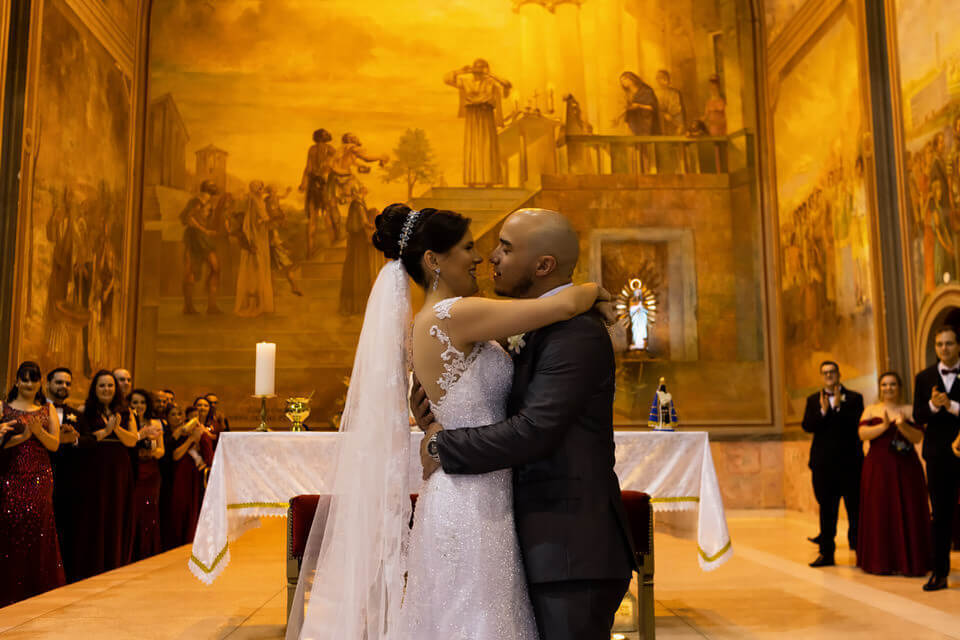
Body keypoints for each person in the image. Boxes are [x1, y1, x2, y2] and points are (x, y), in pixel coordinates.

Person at [288, 205, 632, 640]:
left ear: (544, 264)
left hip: (548, 531)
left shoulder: (566, 331)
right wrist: (591, 291)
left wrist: (439, 442)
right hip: (473, 503)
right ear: (433, 259)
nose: (485, 257)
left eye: (502, 248)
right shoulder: (457, 315)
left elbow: (533, 427)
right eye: (470, 246)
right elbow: (563, 306)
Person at [64, 370, 139, 581]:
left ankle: (115, 564)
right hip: (94, 467)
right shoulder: (84, 411)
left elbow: (132, 440)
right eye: (102, 386)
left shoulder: (126, 412)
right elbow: (83, 439)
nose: (107, 389)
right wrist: (106, 430)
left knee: (117, 513)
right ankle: (92, 567)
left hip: (119, 468)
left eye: (110, 385)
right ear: (95, 389)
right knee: (95, 513)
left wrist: (116, 429)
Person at [0, 362, 65, 606]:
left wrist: (37, 432)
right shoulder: (3, 407)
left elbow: (54, 445)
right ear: (16, 381)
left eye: (34, 379)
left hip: (40, 476)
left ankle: (38, 590)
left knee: (39, 527)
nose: (29, 384)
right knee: (10, 525)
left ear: (40, 383)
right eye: (24, 379)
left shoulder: (47, 409)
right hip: (10, 475)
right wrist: (23, 437)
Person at [856, 372, 930, 576]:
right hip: (878, 468)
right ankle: (881, 560)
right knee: (880, 510)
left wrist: (902, 425)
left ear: (900, 387)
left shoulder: (909, 409)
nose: (888, 388)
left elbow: (917, 438)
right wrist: (884, 426)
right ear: (880, 388)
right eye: (884, 385)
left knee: (909, 508)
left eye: (893, 384)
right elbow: (862, 434)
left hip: (906, 468)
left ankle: (911, 560)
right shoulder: (871, 410)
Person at [801, 360, 865, 567]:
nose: (829, 375)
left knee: (854, 509)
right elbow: (808, 426)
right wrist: (823, 411)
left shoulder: (855, 398)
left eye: (832, 372)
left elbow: (855, 426)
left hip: (850, 464)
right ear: (821, 376)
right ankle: (826, 553)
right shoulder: (813, 400)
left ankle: (859, 551)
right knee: (827, 510)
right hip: (823, 466)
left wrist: (837, 408)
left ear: (839, 374)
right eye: (825, 373)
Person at [913, 325, 960, 591]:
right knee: (940, 515)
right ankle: (939, 573)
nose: (944, 348)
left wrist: (950, 406)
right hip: (938, 456)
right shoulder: (924, 377)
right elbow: (919, 415)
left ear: (958, 345)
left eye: (950, 344)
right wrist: (932, 405)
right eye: (940, 344)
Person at [444, 59, 511, 187]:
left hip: (487, 115)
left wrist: (491, 74)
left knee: (487, 146)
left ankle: (489, 180)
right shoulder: (465, 81)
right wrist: (461, 71)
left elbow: (507, 85)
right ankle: (472, 180)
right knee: (473, 147)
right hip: (472, 116)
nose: (478, 71)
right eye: (476, 68)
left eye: (481, 68)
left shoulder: (491, 83)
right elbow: (447, 79)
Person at [164, 404, 213, 548]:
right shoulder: (169, 434)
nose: (177, 418)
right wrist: (191, 439)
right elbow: (176, 455)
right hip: (175, 474)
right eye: (173, 414)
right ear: (167, 418)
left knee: (191, 509)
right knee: (177, 508)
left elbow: (208, 456)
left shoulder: (190, 431)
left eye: (180, 414)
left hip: (191, 474)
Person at [129, 389, 165, 561]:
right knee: (133, 509)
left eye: (142, 402)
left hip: (150, 471)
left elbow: (161, 450)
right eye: (135, 402)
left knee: (149, 510)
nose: (139, 406)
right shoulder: (128, 422)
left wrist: (150, 454)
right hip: (132, 470)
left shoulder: (155, 423)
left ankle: (148, 551)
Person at [180, 180, 222, 315]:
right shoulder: (196, 201)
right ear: (207, 189)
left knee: (215, 268)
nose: (214, 187)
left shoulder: (208, 202)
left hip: (204, 238)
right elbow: (187, 218)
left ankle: (211, 305)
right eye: (212, 186)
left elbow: (206, 219)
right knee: (191, 270)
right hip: (194, 237)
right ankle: (188, 307)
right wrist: (204, 230)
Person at [234, 180, 275, 318]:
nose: (261, 189)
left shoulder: (260, 200)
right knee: (253, 271)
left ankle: (261, 304)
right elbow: (250, 221)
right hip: (255, 237)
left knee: (260, 269)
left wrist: (266, 220)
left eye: (262, 187)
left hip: (262, 236)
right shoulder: (252, 200)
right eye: (259, 187)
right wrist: (252, 238)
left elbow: (263, 217)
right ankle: (253, 305)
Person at [299, 128, 337, 255]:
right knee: (315, 217)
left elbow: (331, 166)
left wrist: (305, 182)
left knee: (326, 216)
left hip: (322, 184)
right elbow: (308, 167)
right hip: (316, 185)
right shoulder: (314, 149)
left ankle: (333, 246)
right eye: (322, 136)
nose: (323, 139)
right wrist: (304, 182)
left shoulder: (329, 149)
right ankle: (311, 250)